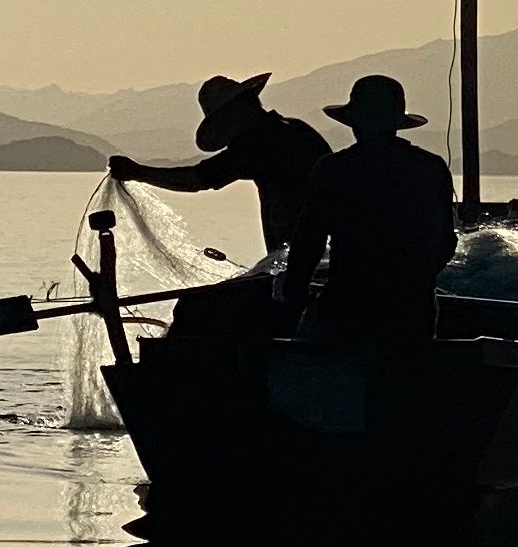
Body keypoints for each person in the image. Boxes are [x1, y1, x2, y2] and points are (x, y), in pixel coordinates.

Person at [109, 74, 334, 331]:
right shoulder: (296, 130)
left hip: (302, 264)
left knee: (193, 310)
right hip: (322, 259)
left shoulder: (261, 141)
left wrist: (139, 172)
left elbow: (200, 178)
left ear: (239, 111)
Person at [308, 74, 456, 348]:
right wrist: (415, 281)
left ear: (354, 123)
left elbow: (310, 241)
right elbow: (446, 242)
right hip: (412, 309)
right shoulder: (430, 168)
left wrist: (293, 292)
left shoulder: (333, 170)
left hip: (347, 304)